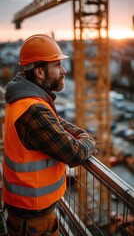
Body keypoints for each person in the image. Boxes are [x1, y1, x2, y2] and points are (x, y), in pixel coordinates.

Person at [2, 34, 96, 235]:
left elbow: (59, 123)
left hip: (30, 211)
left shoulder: (28, 100)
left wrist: (77, 133)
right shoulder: (33, 110)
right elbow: (75, 153)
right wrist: (88, 140)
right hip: (33, 218)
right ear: (39, 72)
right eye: (57, 65)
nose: (64, 70)